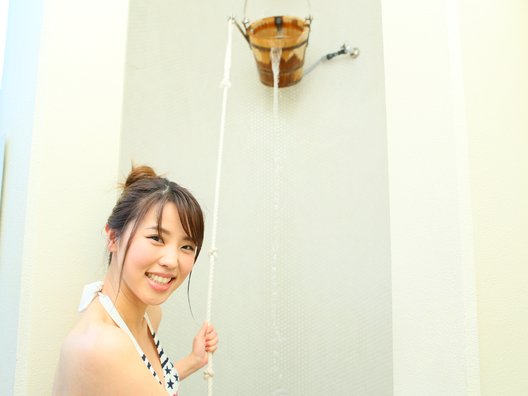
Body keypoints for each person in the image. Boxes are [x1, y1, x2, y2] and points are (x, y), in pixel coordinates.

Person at [53, 165, 218, 395]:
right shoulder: (101, 345)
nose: (172, 260)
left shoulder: (149, 314)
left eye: (186, 246)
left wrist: (193, 360)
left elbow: (144, 381)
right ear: (113, 238)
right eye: (156, 238)